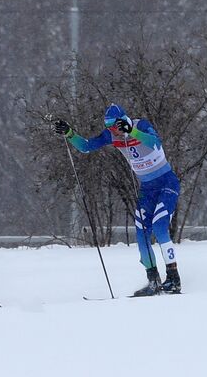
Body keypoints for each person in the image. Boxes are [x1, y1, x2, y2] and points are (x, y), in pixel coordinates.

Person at [53, 104, 180, 296]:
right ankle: (153, 279)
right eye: (110, 128)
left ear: (124, 121)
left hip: (166, 183)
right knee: (141, 232)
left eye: (116, 126)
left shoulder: (140, 126)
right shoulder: (111, 135)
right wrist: (70, 133)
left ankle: (173, 278)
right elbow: (86, 147)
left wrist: (133, 132)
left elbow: (155, 143)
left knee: (160, 227)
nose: (114, 132)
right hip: (147, 189)